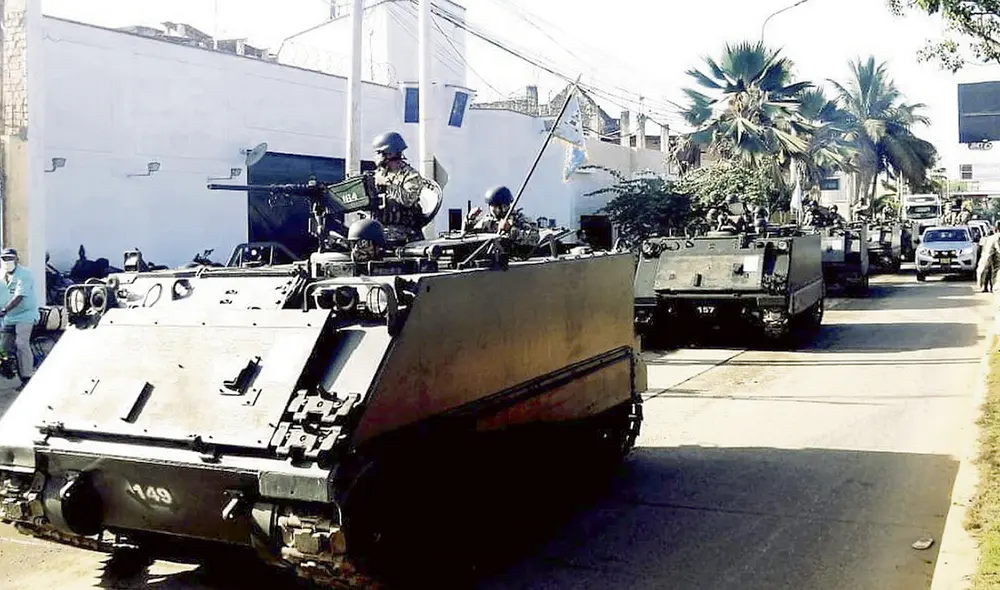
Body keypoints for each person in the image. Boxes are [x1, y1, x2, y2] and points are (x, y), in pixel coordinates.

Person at [370, 131, 427, 245]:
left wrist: (387, 185)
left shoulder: (411, 176)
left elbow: (408, 200)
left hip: (406, 235)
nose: (377, 157)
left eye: (379, 153)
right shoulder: (379, 174)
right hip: (381, 230)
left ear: (390, 154)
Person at [0, 248, 37, 390]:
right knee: (3, 348)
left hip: (25, 315)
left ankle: (27, 377)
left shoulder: (25, 274)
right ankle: (9, 369)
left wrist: (4, 310)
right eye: (4, 258)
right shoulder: (1, 274)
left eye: (10, 258)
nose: (7, 261)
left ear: (17, 259)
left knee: (21, 344)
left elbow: (19, 296)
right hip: (8, 317)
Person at [465, 186, 539, 255]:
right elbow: (469, 236)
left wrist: (511, 230)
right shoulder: (487, 220)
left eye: (495, 205)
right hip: (492, 259)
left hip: (513, 259)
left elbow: (535, 237)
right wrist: (469, 220)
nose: (493, 209)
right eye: (491, 205)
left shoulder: (519, 218)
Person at [978, 220, 1000, 293]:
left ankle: (988, 286)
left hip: (991, 257)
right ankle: (988, 286)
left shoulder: (993, 237)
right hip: (991, 257)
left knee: (987, 272)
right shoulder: (992, 237)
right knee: (989, 272)